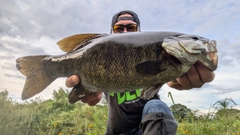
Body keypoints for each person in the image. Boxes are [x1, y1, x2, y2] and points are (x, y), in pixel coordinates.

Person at [65, 10, 215, 135]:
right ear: (111, 32)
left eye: (131, 28)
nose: (125, 31)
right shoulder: (100, 55)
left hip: (146, 129)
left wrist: (179, 77)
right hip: (115, 131)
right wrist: (90, 87)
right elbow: (91, 91)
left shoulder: (162, 54)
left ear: (139, 31)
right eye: (119, 28)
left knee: (157, 106)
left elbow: (170, 79)